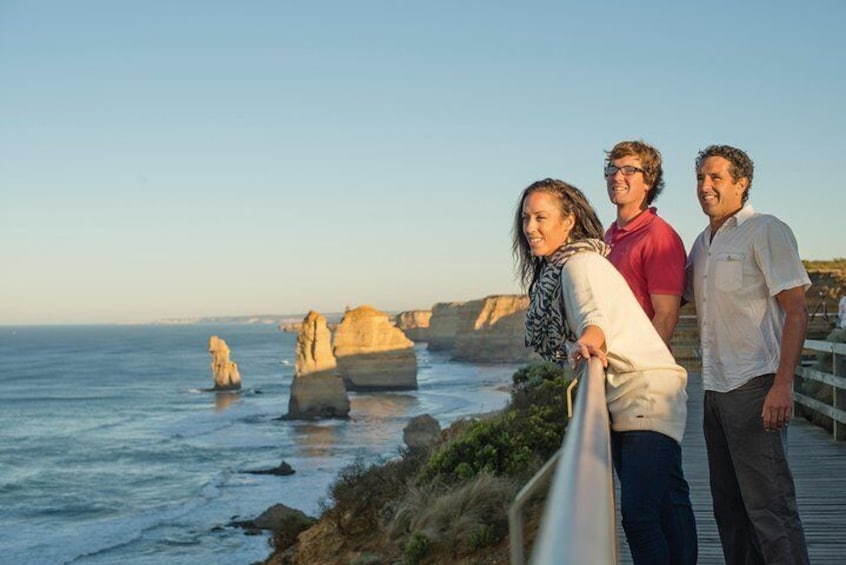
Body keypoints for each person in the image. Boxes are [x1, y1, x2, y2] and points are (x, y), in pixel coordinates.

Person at [515, 178, 697, 565]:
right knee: (663, 507)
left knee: (640, 517)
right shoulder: (572, 264)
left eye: (541, 217)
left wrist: (589, 342)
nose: (531, 227)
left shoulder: (579, 265)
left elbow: (592, 317)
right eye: (527, 218)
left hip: (644, 394)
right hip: (630, 394)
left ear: (569, 221)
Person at [685, 145, 811, 565]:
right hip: (714, 392)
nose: (705, 185)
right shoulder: (702, 244)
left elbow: (797, 308)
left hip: (756, 386)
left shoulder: (765, 229)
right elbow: (668, 299)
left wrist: (782, 384)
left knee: (770, 510)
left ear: (741, 183)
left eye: (716, 177)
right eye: (701, 177)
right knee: (730, 511)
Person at [604, 140, 687, 347]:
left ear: (648, 181)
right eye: (612, 169)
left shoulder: (659, 237)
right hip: (611, 363)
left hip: (640, 370)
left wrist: (638, 365)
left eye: (629, 170)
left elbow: (666, 317)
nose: (617, 176)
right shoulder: (610, 234)